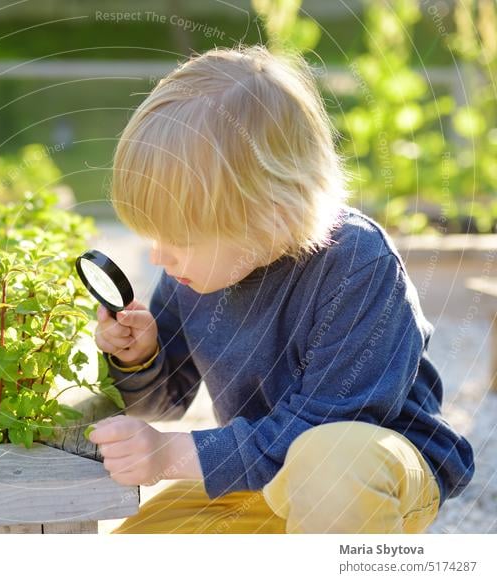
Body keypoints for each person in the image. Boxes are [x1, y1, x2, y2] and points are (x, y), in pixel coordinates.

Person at [89, 44, 474, 534]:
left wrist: (170, 454)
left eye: (179, 239)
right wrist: (138, 357)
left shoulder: (357, 264)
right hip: (266, 475)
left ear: (271, 217)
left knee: (326, 466)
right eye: (154, 235)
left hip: (372, 471)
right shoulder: (192, 275)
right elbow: (162, 405)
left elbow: (327, 430)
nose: (158, 256)